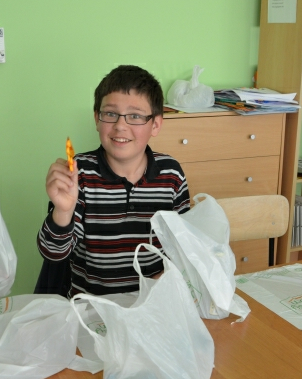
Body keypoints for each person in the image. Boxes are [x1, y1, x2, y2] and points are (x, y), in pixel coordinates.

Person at [37, 65, 190, 297]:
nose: (120, 125)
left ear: (156, 124)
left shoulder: (171, 174)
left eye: (135, 116)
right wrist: (63, 210)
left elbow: (185, 247)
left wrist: (165, 280)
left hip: (153, 303)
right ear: (96, 119)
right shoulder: (79, 174)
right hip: (92, 307)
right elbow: (53, 253)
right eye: (110, 114)